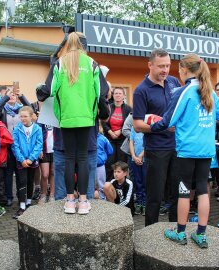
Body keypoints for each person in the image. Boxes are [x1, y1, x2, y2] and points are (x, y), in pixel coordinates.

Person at [150, 54, 219, 248]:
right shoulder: (209, 90)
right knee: (202, 190)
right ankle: (201, 234)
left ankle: (180, 232)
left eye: (179, 69)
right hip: (206, 149)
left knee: (183, 191)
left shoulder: (184, 91)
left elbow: (168, 120)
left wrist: (149, 127)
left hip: (187, 149)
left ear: (184, 70)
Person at [38, 32, 101, 215]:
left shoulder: (59, 63)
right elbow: (101, 91)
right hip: (86, 118)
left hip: (65, 118)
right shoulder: (91, 63)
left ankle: (69, 202)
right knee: (82, 159)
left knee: (68, 159)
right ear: (83, 45)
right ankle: (83, 202)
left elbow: (49, 89)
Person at [132, 48, 181, 226]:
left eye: (168, 65)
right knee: (155, 195)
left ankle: (177, 229)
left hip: (178, 147)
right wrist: (165, 128)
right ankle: (149, 234)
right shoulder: (141, 91)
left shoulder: (174, 82)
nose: (165, 70)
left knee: (177, 193)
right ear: (150, 65)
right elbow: (137, 125)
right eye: (161, 66)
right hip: (156, 149)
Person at [0, 87, 31, 207]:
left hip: (21, 146)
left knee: (21, 173)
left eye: (13, 95)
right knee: (8, 173)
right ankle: (9, 196)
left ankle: (21, 197)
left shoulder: (21, 110)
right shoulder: (3, 111)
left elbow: (31, 108)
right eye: (9, 95)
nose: (12, 96)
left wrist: (21, 96)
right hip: (8, 146)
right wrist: (5, 97)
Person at [11, 106, 43, 219]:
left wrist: (31, 158)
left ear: (31, 116)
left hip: (32, 160)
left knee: (30, 181)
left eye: (25, 116)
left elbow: (39, 145)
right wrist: (22, 159)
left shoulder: (37, 129)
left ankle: (29, 202)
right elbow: (15, 145)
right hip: (21, 160)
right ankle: (22, 205)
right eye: (21, 116)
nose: (23, 118)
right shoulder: (17, 128)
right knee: (22, 181)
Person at [102, 87, 131, 181]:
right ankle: (109, 184)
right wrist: (110, 131)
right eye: (116, 93)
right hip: (110, 139)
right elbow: (103, 121)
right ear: (113, 95)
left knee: (121, 163)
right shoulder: (108, 107)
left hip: (122, 140)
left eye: (120, 93)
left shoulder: (128, 109)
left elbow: (130, 123)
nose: (118, 95)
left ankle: (122, 184)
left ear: (123, 96)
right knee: (109, 162)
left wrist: (120, 130)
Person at [129, 125, 146, 215]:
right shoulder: (133, 128)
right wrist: (134, 156)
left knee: (145, 182)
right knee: (137, 181)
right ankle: (139, 203)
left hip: (145, 159)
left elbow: (148, 143)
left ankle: (145, 203)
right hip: (135, 160)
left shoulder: (146, 127)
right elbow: (131, 142)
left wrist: (140, 156)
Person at [96, 122, 113, 200]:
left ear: (100, 127)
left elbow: (110, 151)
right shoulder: (86, 138)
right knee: (87, 185)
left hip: (100, 165)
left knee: (101, 185)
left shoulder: (103, 138)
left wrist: (103, 157)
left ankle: (102, 200)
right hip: (87, 165)